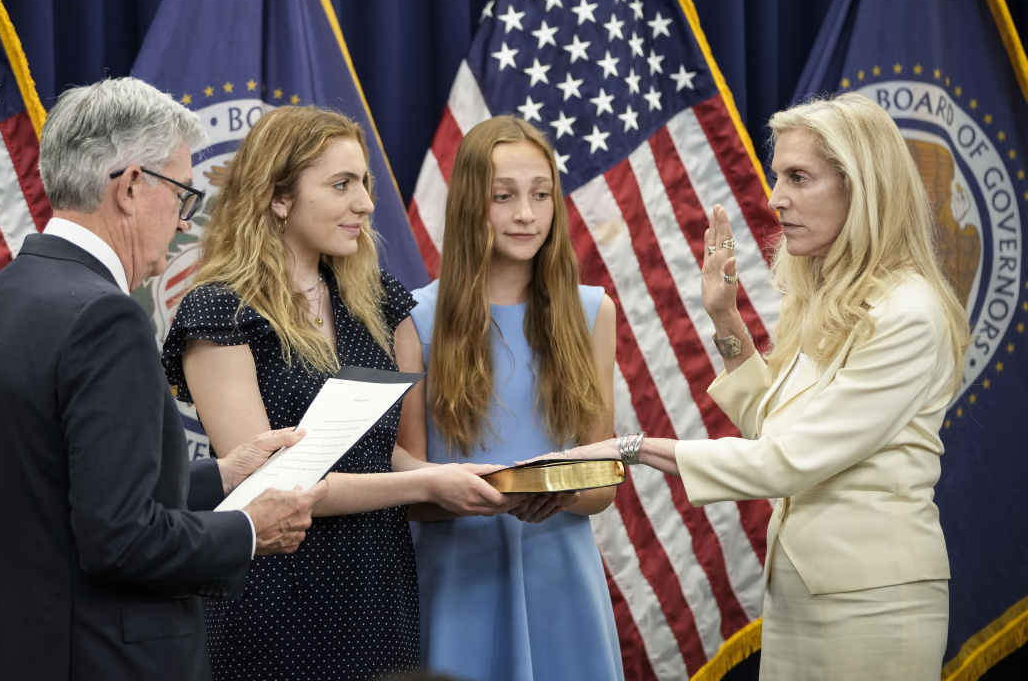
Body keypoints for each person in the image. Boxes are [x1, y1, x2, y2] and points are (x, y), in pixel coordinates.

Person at [557, 93, 970, 680]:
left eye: (799, 177)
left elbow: (787, 461)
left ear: (862, 188)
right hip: (801, 593)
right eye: (778, 177)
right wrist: (725, 320)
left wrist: (631, 448)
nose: (776, 198)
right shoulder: (831, 297)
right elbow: (773, 431)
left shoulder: (908, 313)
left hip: (874, 606)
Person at [0, 78, 326, 681]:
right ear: (128, 187)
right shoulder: (106, 318)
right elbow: (120, 539)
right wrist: (250, 529)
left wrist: (225, 475)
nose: (183, 224)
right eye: (182, 195)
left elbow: (63, 491)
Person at [161, 105, 518, 681]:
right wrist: (429, 484)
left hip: (378, 587)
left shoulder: (378, 300)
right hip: (274, 594)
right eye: (341, 184)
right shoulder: (221, 311)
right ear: (279, 197)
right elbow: (269, 482)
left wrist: (462, 477)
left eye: (365, 183)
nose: (367, 203)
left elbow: (383, 453)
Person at [397, 116, 625, 681]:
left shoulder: (592, 312)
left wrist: (557, 492)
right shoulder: (415, 318)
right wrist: (478, 493)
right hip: (458, 579)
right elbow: (410, 492)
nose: (526, 214)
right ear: (470, 205)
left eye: (540, 195)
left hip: (563, 578)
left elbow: (603, 482)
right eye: (504, 196)